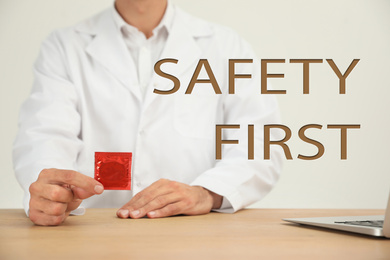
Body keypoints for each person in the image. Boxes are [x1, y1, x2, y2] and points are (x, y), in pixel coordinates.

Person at [13, 0, 283, 226]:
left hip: (196, 236)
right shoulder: (64, 46)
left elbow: (259, 144)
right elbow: (45, 134)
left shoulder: (227, 46)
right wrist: (48, 191)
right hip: (92, 232)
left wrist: (206, 193)